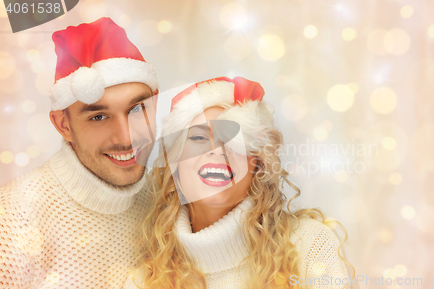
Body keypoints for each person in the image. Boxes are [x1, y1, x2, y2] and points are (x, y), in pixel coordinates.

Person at [124, 77, 355, 289]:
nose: (216, 152)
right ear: (175, 163)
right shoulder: (145, 281)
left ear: (258, 164)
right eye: (198, 137)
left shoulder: (310, 246)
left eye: (235, 140)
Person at [0, 18, 159, 288]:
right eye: (98, 117)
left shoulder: (163, 198)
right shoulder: (13, 219)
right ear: (63, 124)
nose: (126, 137)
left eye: (135, 109)